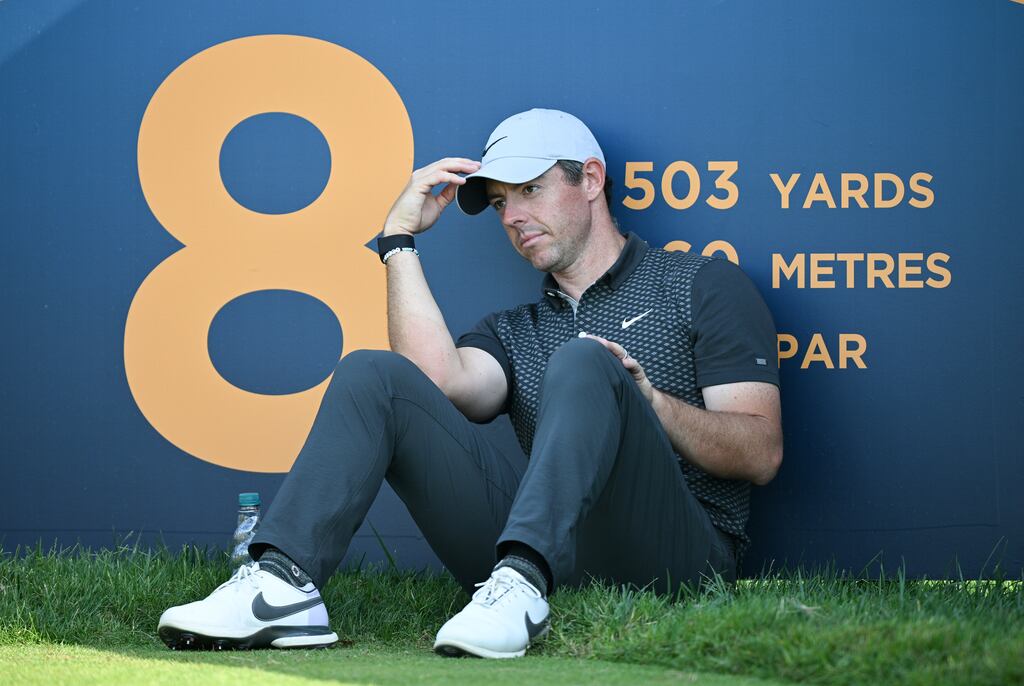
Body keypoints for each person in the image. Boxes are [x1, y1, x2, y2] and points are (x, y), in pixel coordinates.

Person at [157, 108, 783, 658]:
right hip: (539, 562)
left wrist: (644, 401)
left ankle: (523, 580)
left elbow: (760, 454)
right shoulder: (520, 328)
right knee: (372, 373)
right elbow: (430, 388)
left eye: (531, 190)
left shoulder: (696, 285)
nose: (514, 216)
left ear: (589, 180)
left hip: (678, 559)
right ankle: (282, 585)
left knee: (586, 361)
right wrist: (397, 241)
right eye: (503, 202)